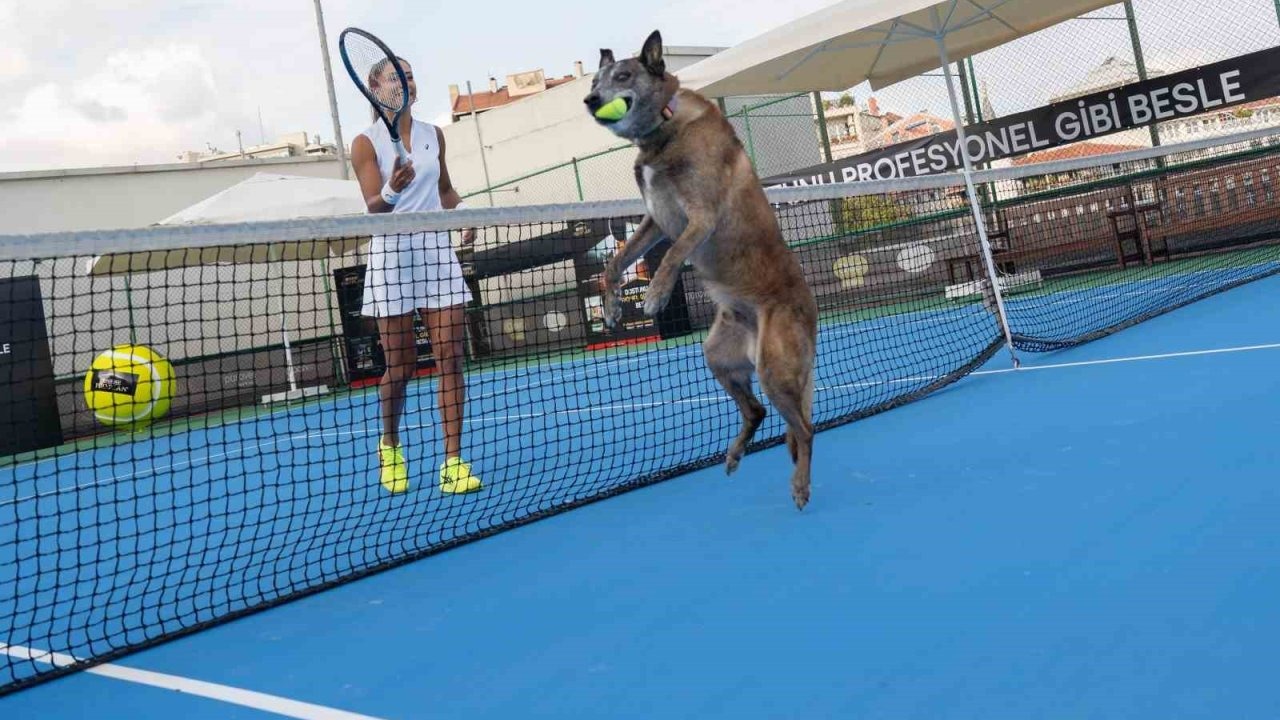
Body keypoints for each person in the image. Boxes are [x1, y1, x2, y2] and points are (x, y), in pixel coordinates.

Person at [352, 56, 481, 495]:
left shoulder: (433, 135)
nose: (407, 80)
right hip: (391, 257)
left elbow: (445, 190)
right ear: (375, 87)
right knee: (400, 367)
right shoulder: (365, 143)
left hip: (436, 254)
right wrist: (393, 188)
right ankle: (389, 446)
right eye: (397, 76)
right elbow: (374, 206)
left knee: (450, 358)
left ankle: (453, 462)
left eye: (409, 74)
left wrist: (462, 214)